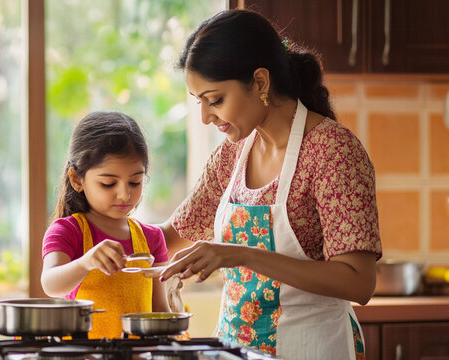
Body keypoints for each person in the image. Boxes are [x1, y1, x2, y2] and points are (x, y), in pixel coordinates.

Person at [157, 9, 382, 359]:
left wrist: (242, 255)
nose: (204, 117)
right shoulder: (231, 155)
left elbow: (358, 282)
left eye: (215, 100)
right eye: (198, 102)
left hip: (313, 348)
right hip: (235, 350)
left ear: (260, 82)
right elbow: (167, 237)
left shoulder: (331, 151)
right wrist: (93, 234)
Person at [41, 111, 169, 339]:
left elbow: (159, 309)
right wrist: (86, 262)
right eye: (108, 183)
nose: (124, 194)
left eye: (135, 181)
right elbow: (51, 284)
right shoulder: (68, 231)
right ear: (77, 179)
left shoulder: (152, 238)